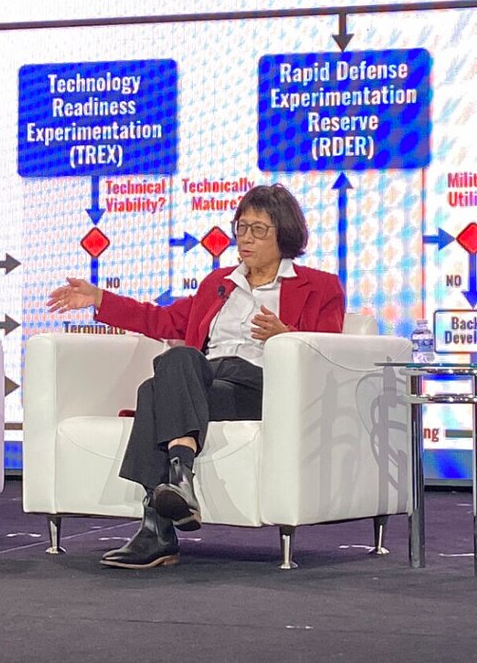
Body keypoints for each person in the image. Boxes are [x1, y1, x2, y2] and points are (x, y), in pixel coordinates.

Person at [47, 184, 344, 569]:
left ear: (284, 234)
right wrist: (101, 299)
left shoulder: (319, 287)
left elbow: (330, 353)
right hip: (205, 380)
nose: (245, 239)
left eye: (259, 230)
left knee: (153, 391)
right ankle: (179, 478)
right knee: (179, 360)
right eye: (241, 227)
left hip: (261, 386)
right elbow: (163, 320)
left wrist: (287, 337)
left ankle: (157, 530)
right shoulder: (218, 284)